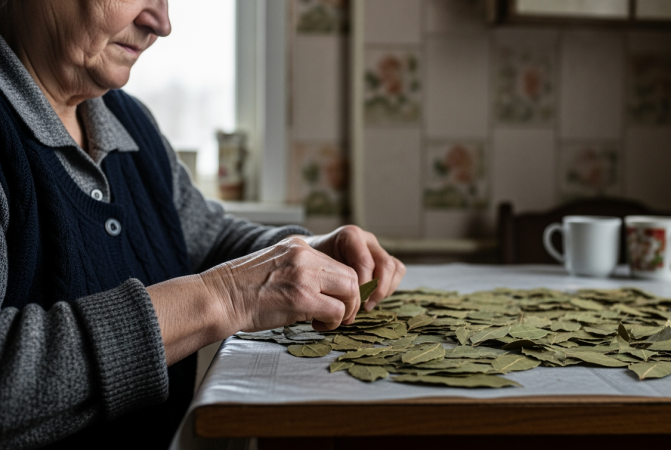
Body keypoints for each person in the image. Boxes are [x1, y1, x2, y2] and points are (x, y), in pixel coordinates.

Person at [0, 1, 406, 448]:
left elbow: (206, 240)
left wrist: (306, 252)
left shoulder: (126, 121)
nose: (161, 22)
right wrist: (222, 297)